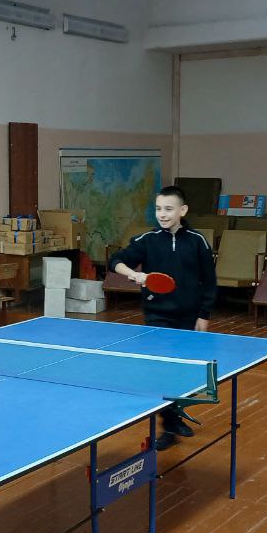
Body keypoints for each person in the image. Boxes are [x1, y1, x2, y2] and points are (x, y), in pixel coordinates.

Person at [110, 185, 217, 450]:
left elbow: (209, 282)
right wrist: (133, 274)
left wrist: (204, 315)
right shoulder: (147, 240)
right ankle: (169, 426)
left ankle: (174, 416)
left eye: (168, 209)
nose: (162, 214)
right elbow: (116, 260)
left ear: (183, 210)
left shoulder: (198, 241)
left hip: (188, 316)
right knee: (162, 371)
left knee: (182, 372)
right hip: (157, 316)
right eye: (158, 209)